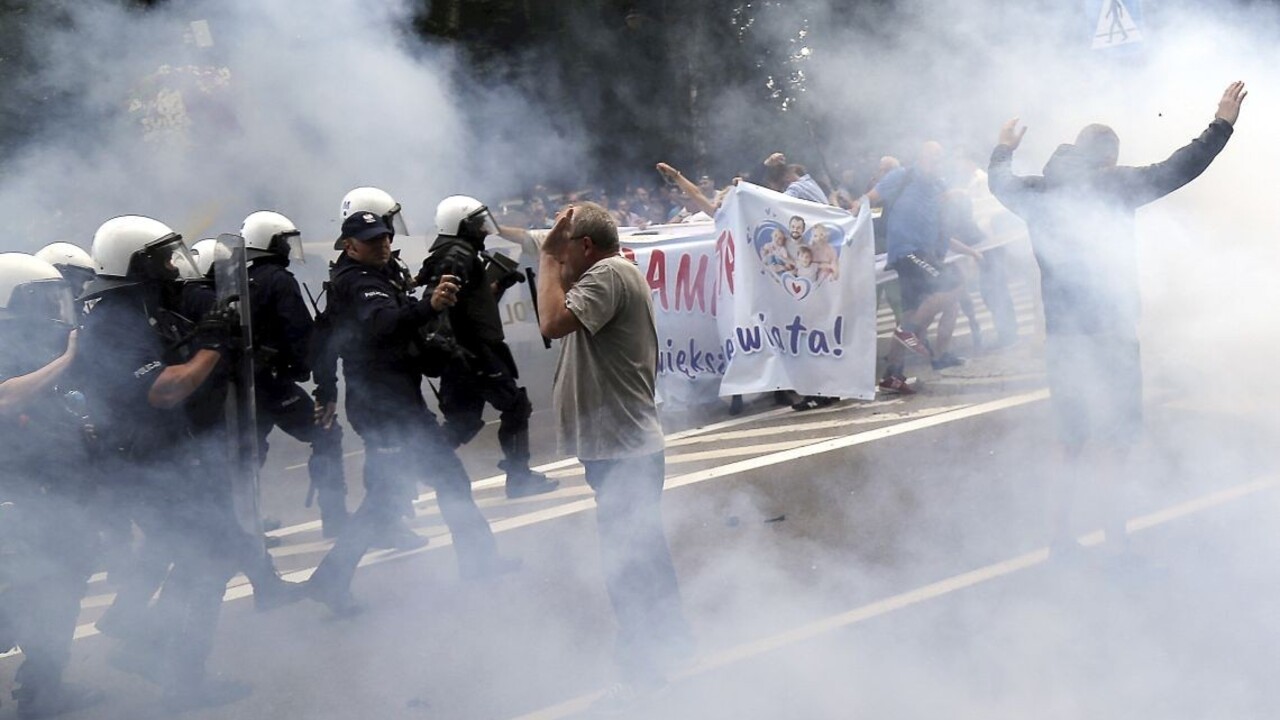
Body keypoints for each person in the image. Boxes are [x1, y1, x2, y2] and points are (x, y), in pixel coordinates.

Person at [987, 81, 1246, 559]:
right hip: (1110, 335)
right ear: (1109, 157)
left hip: (1064, 338)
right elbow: (1180, 167)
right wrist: (1222, 124)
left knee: (1070, 440)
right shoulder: (1115, 183)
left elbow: (998, 183)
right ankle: (1115, 538)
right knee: (1116, 439)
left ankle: (1059, 538)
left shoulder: (1036, 191)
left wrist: (1003, 150)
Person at [77, 215, 250, 711]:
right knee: (207, 558)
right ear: (136, 265)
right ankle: (182, 676)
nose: (174, 269)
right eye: (162, 258)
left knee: (195, 550)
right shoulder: (113, 323)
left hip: (167, 458)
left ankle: (136, 630)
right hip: (146, 461)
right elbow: (164, 389)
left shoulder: (143, 310)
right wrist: (213, 348)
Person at [306, 211, 517, 616]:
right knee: (437, 483)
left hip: (390, 401)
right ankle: (477, 561)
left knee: (401, 493)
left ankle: (331, 581)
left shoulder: (363, 275)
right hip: (387, 408)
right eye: (371, 240)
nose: (383, 244)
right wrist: (429, 306)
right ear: (349, 246)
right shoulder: (360, 282)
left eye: (385, 237)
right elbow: (384, 323)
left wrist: (327, 389)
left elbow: (327, 339)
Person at [535, 202, 691, 712]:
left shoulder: (605, 274)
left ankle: (645, 674)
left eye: (566, 246)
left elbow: (553, 321)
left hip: (624, 450)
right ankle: (670, 646)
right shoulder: (609, 272)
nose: (561, 255)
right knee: (643, 554)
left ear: (585, 247)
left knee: (627, 564)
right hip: (621, 448)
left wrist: (543, 259)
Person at [0, 253, 104, 719]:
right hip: (22, 493)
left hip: (51, 489)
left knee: (60, 585)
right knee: (39, 589)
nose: (55, 306)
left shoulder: (29, 340)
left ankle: (43, 688)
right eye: (43, 296)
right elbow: (5, 396)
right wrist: (66, 361)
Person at [417, 195, 558, 499]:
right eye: (478, 223)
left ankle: (417, 467)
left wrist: (498, 286)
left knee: (463, 421)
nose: (484, 229)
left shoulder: (460, 251)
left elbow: (466, 306)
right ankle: (518, 478)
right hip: (473, 352)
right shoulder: (457, 254)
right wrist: (454, 350)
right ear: (462, 225)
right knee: (515, 406)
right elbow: (438, 304)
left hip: (468, 351)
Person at [240, 211, 349, 538]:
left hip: (250, 384)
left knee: (249, 457)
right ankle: (336, 519)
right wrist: (310, 369)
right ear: (270, 243)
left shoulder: (244, 280)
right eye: (285, 240)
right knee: (327, 434)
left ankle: (244, 528)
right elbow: (298, 330)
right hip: (276, 385)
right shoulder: (278, 280)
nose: (290, 247)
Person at [859, 141, 971, 393]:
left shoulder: (938, 184)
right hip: (907, 250)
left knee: (910, 313)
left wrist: (955, 195)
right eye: (933, 156)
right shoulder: (902, 175)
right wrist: (850, 212)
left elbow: (941, 210)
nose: (937, 161)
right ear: (921, 156)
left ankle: (892, 374)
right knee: (954, 283)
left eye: (941, 157)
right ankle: (908, 332)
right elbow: (870, 200)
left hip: (925, 253)